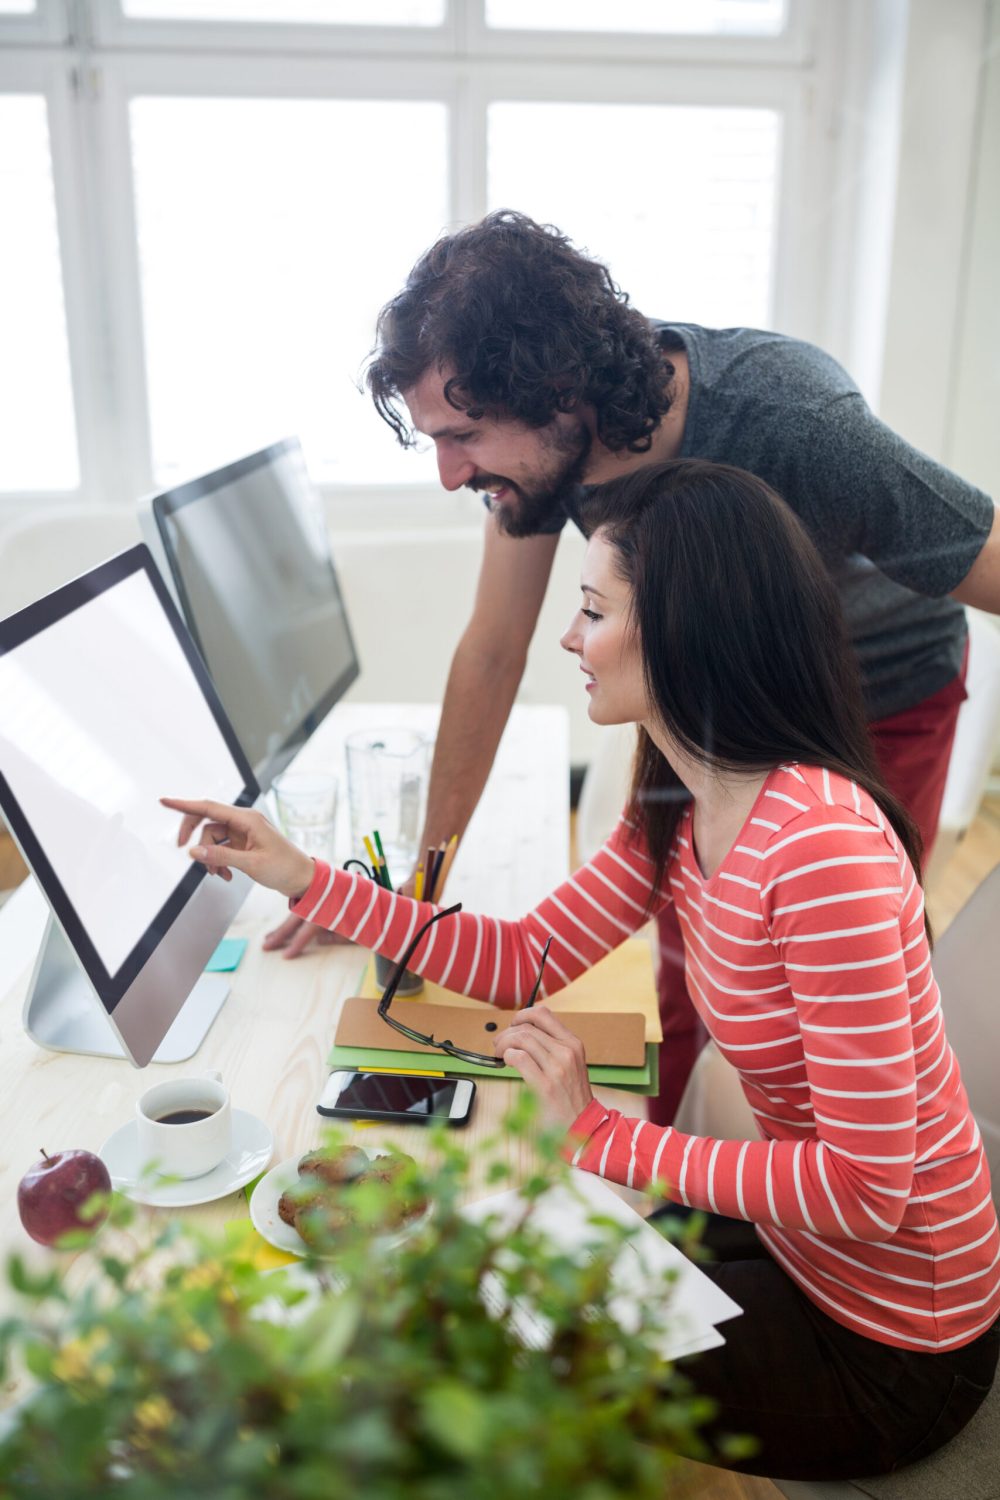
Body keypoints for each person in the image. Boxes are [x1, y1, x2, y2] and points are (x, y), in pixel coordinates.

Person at [166, 459, 999, 1482]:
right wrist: (300, 876)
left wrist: (603, 1136)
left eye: (594, 610)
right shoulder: (688, 804)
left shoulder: (819, 848)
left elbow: (869, 1189)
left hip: (889, 1345)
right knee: (474, 1265)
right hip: (798, 1252)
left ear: (684, 628)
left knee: (466, 1346)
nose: (569, 638)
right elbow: (522, 958)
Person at [264, 210, 1000, 1131]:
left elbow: (987, 552)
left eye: (464, 435)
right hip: (699, 707)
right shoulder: (537, 460)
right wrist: (415, 895)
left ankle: (799, 1204)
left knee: (809, 996)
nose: (450, 475)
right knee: (690, 968)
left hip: (872, 695)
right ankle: (692, 1210)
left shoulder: (797, 422)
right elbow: (492, 651)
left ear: (559, 390)